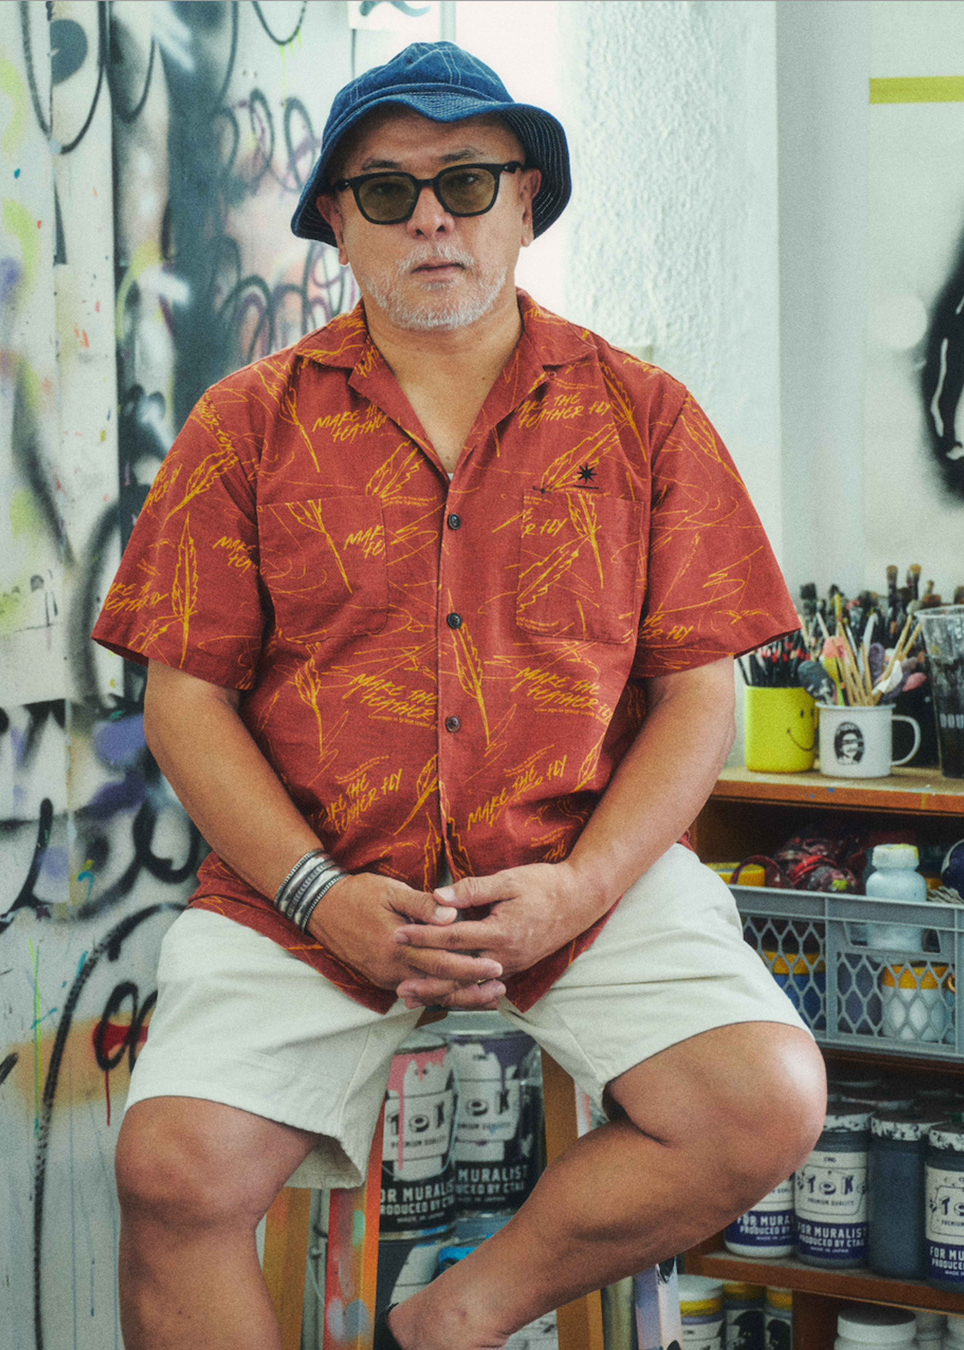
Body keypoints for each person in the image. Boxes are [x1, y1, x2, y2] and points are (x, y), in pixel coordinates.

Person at [93, 42, 826, 1350]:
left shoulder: (646, 416)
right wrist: (316, 891)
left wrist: (581, 889)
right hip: (311, 880)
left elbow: (696, 700)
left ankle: (444, 1323)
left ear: (525, 201)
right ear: (336, 221)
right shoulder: (243, 427)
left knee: (763, 1098)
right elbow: (184, 700)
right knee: (171, 1173)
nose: (431, 217)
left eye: (468, 181)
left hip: (575, 860)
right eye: (387, 192)